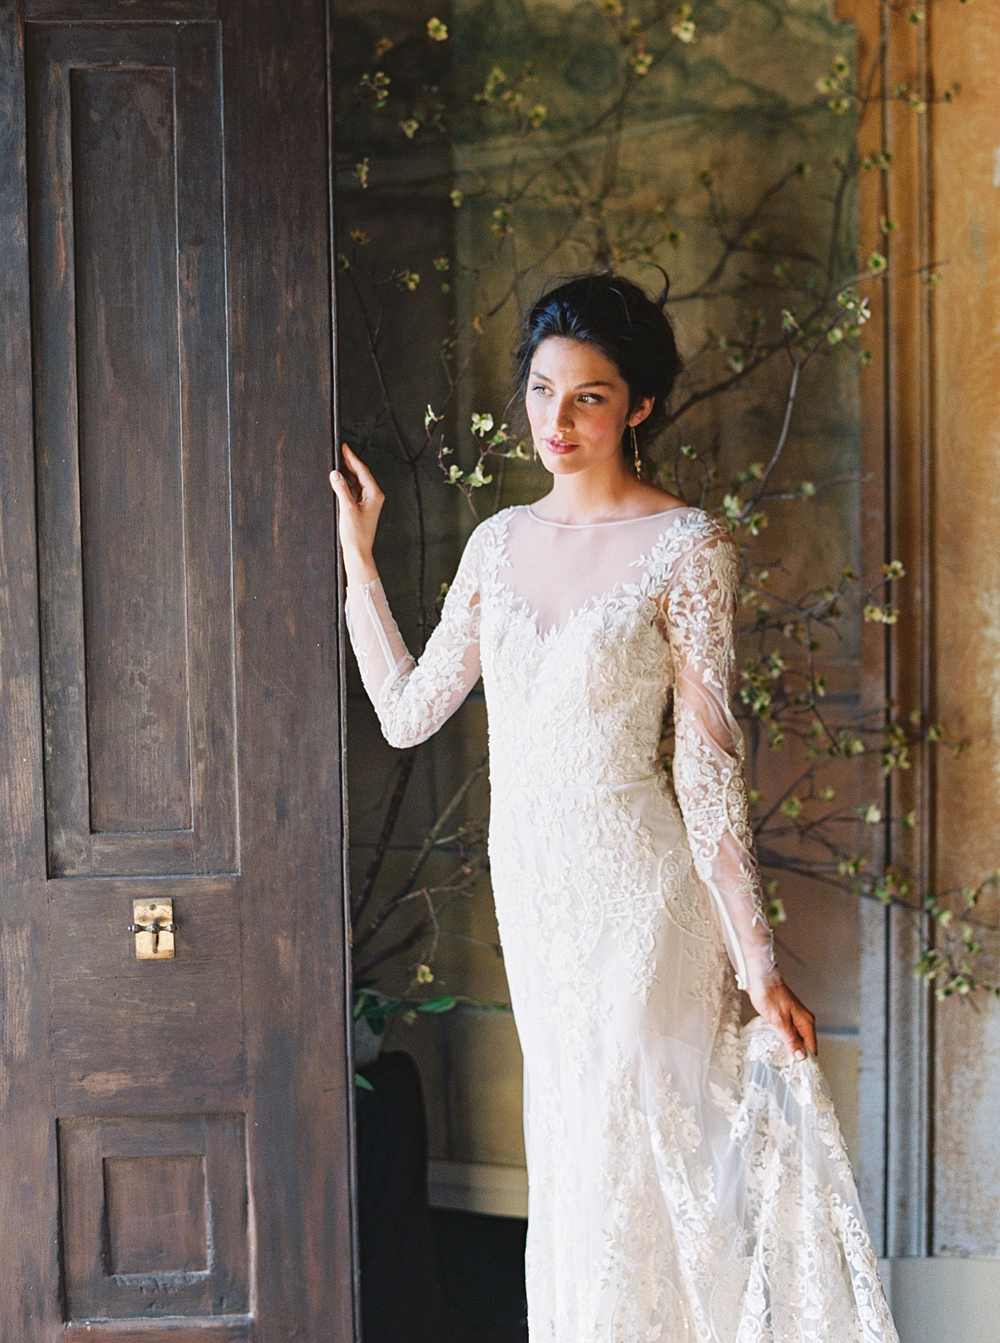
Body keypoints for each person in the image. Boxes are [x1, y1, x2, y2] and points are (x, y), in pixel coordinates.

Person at [331, 273, 897, 1343]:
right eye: (542, 390)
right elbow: (409, 712)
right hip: (538, 900)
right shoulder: (496, 544)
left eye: (588, 396)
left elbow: (707, 771)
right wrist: (360, 561)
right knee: (579, 1156)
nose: (557, 420)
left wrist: (759, 965)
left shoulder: (688, 547)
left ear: (636, 405)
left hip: (645, 894)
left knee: (650, 1140)